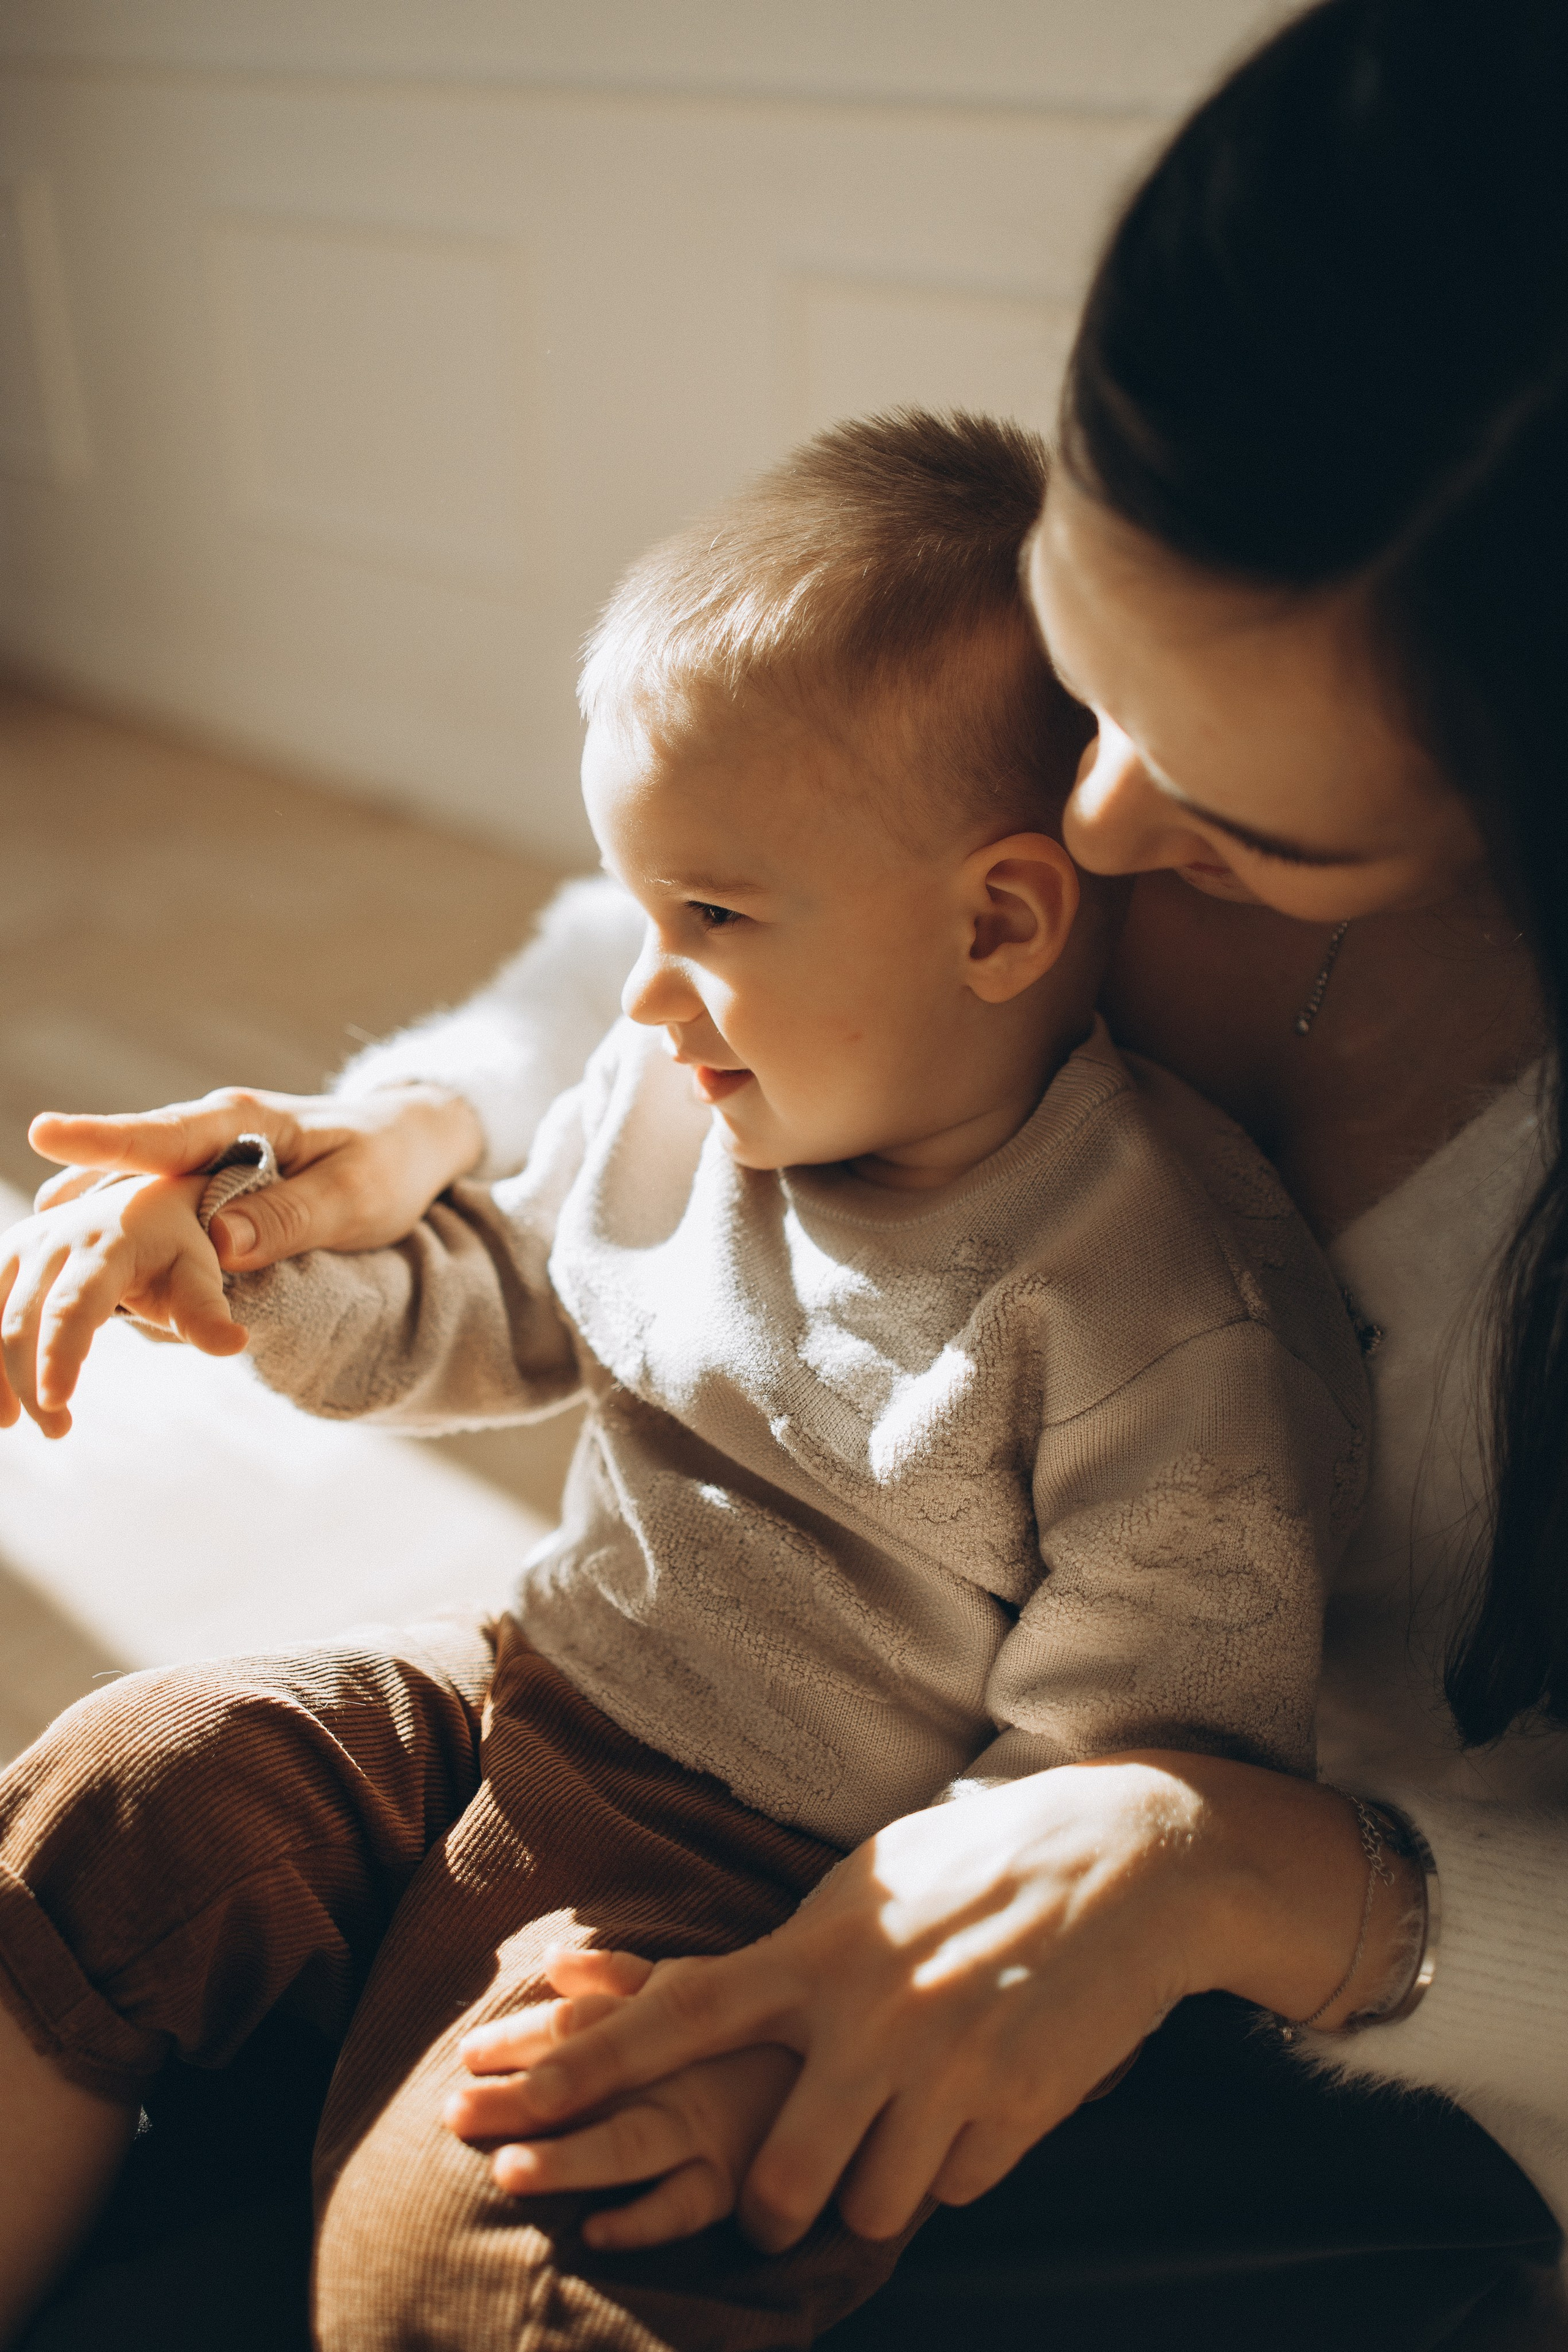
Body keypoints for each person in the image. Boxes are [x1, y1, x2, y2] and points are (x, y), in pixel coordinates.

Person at [12, 0, 1568, 2343]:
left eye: (1242, 811)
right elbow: (567, 1170)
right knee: (120, 1804)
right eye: (1093, 664)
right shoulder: (806, 993)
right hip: (560, 1700)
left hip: (930, 1902)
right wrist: (308, 1209)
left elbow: (1125, 1729)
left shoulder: (1161, 1316)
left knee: (443, 2257)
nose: (1098, 815)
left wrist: (1132, 1879)